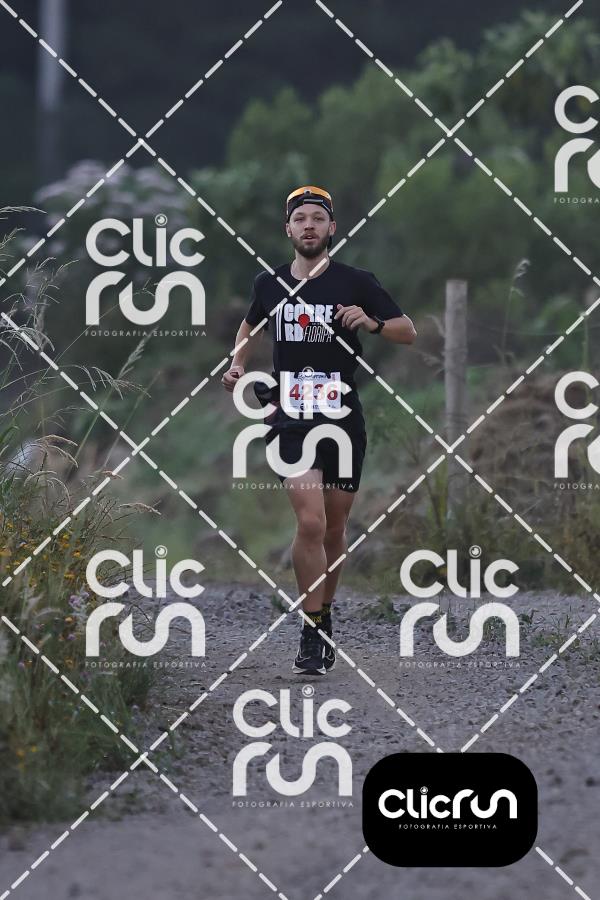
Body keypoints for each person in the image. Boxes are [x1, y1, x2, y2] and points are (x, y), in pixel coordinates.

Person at [222, 186, 416, 675]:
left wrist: (371, 323)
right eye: (300, 218)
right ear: (287, 229)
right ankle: (311, 630)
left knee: (333, 526)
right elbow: (249, 328)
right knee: (309, 522)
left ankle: (324, 614)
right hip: (288, 416)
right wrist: (237, 363)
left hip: (342, 417)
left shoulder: (356, 282)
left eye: (317, 218)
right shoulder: (268, 284)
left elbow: (407, 331)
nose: (309, 225)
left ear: (332, 228)